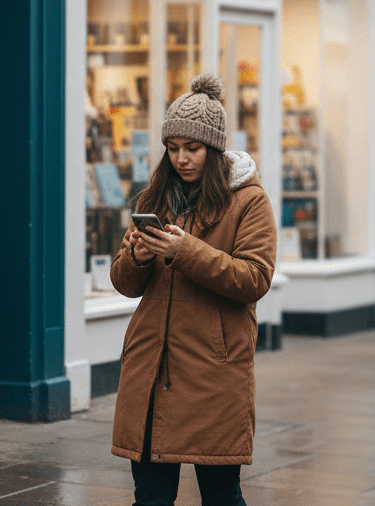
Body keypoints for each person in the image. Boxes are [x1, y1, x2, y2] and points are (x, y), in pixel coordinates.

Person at [110, 73, 276, 506]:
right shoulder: (154, 198)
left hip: (211, 373)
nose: (181, 159)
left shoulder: (249, 201)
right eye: (173, 148)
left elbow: (255, 279)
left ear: (215, 148)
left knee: (221, 498)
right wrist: (137, 258)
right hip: (151, 366)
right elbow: (124, 284)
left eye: (193, 149)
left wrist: (187, 252)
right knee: (149, 497)